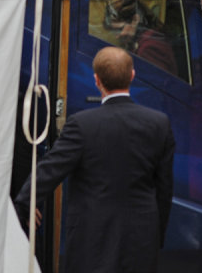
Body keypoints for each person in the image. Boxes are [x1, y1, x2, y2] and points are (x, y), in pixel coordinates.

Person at [15, 46, 175, 273]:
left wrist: (25, 202)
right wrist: (155, 234)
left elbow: (50, 169)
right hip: (141, 236)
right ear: (132, 76)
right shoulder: (159, 123)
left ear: (96, 80)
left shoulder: (82, 125)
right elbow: (164, 188)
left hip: (92, 237)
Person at [104, 0, 178, 75]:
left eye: (120, 29)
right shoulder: (145, 39)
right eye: (114, 31)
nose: (117, 36)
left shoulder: (149, 48)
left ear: (135, 20)